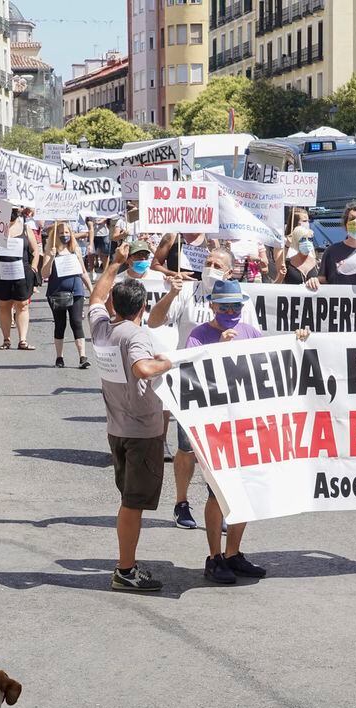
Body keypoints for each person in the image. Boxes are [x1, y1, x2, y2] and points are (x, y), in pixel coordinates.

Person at [147, 245, 257, 530]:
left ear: (230, 271)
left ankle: (218, 507)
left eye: (217, 264)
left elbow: (260, 345)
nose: (209, 267)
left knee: (221, 451)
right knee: (187, 449)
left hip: (230, 391)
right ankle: (181, 502)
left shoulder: (242, 301)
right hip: (192, 385)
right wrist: (172, 292)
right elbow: (155, 321)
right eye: (207, 262)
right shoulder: (187, 291)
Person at [88, 243, 173, 592]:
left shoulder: (102, 327)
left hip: (117, 429)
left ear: (115, 305)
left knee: (129, 500)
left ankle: (127, 564)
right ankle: (126, 569)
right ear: (142, 307)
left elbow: (95, 297)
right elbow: (141, 368)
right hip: (141, 432)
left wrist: (114, 265)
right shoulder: (134, 334)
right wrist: (166, 363)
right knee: (132, 504)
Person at [182, 279, 278, 585]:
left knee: (246, 489)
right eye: (224, 306)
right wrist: (218, 349)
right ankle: (214, 557)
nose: (230, 311)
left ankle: (234, 552)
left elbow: (272, 363)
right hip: (215, 425)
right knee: (218, 493)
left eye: (236, 306)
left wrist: (299, 340)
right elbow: (190, 375)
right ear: (211, 306)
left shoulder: (250, 333)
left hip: (246, 424)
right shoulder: (199, 336)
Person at [40, 222, 93, 369]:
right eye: (61, 233)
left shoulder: (75, 250)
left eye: (67, 232)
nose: (65, 235)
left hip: (76, 291)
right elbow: (44, 274)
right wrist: (50, 258)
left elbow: (83, 272)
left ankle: (82, 356)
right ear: (55, 235)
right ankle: (59, 357)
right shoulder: (50, 251)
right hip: (56, 293)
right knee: (60, 324)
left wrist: (92, 290)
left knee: (76, 322)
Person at [0, 209, 39, 350]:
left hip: (22, 273)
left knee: (22, 305)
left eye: (14, 210)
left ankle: (23, 340)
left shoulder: (26, 228)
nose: (11, 212)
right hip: (1, 273)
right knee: (4, 305)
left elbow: (35, 250)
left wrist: (33, 268)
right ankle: (6, 339)